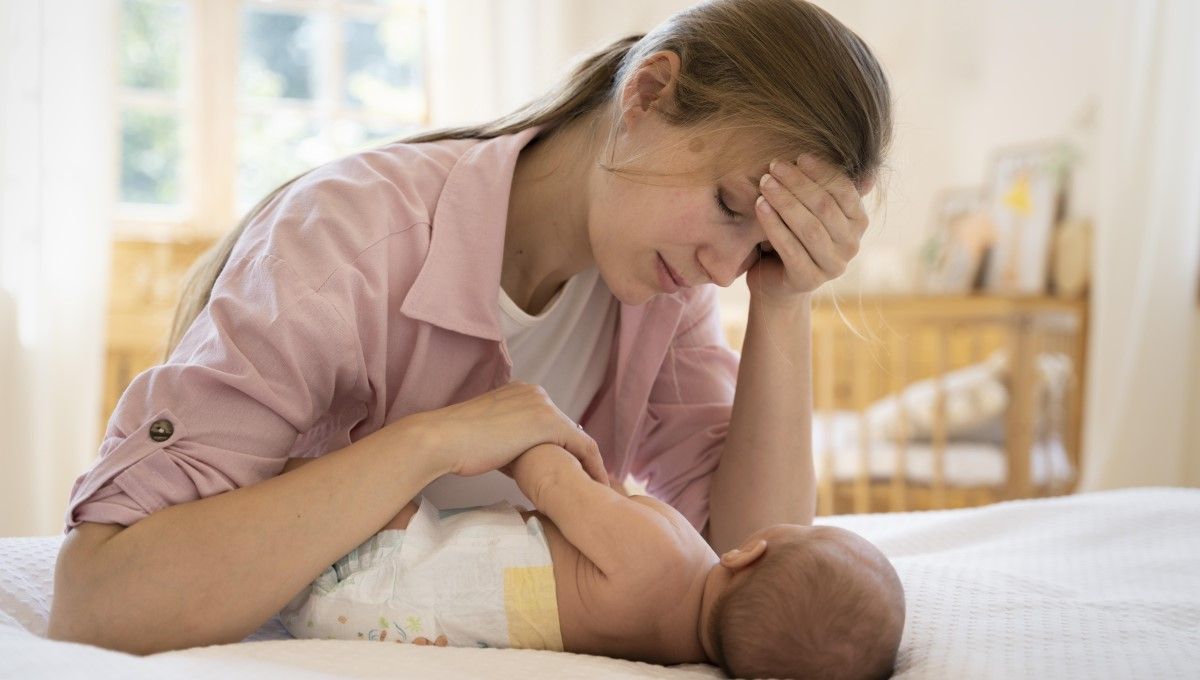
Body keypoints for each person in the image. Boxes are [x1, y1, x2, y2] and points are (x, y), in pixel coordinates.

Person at [48, 0, 893, 656]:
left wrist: (784, 301)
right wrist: (431, 442)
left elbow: (748, 587)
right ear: (647, 92)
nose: (723, 266)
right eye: (731, 207)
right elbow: (100, 600)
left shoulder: (665, 292)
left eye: (762, 244)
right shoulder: (344, 240)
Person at [280, 444, 905, 680]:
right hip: (373, 622)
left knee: (311, 473)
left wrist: (523, 429)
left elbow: (554, 485)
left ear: (748, 553)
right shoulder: (670, 650)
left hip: (388, 561)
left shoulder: (668, 552)